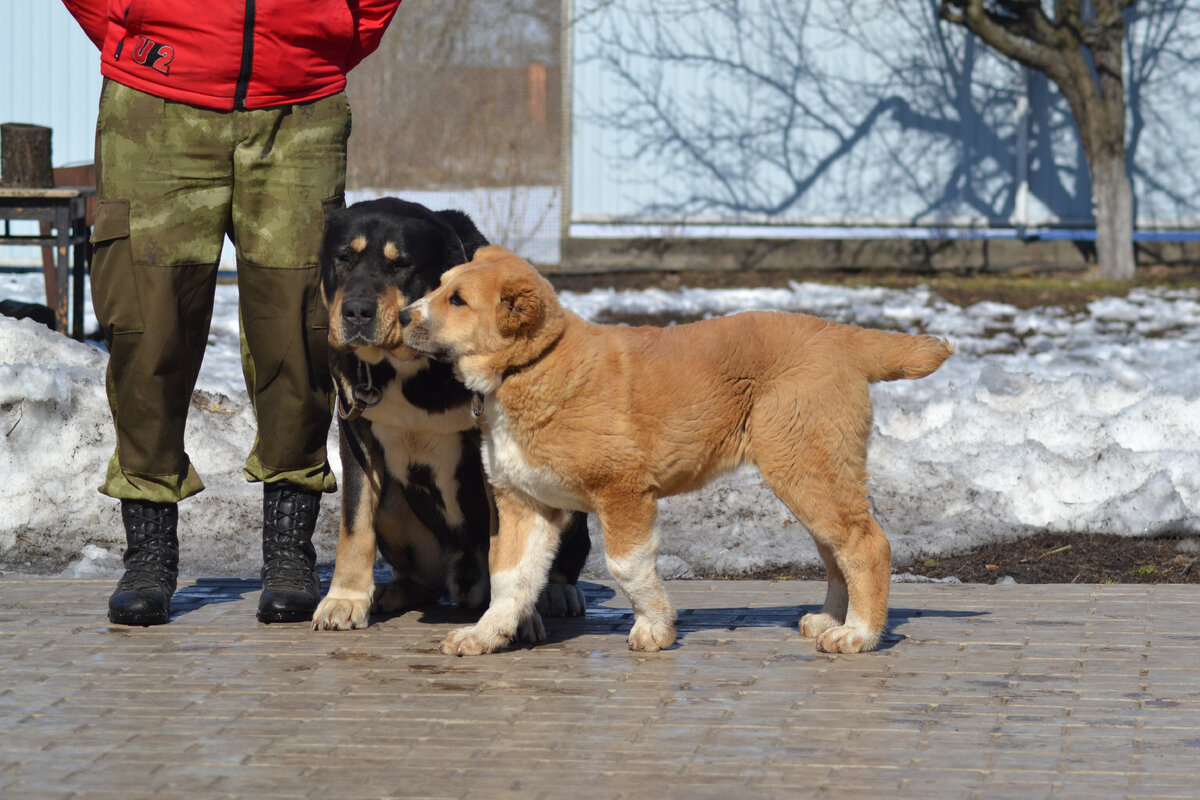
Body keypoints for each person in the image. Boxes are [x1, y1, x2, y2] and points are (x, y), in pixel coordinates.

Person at [63, 0, 404, 625]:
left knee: (300, 328)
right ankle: (148, 553)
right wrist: (131, 18)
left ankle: (288, 552)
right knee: (148, 325)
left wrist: (332, 31)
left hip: (300, 103)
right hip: (155, 101)